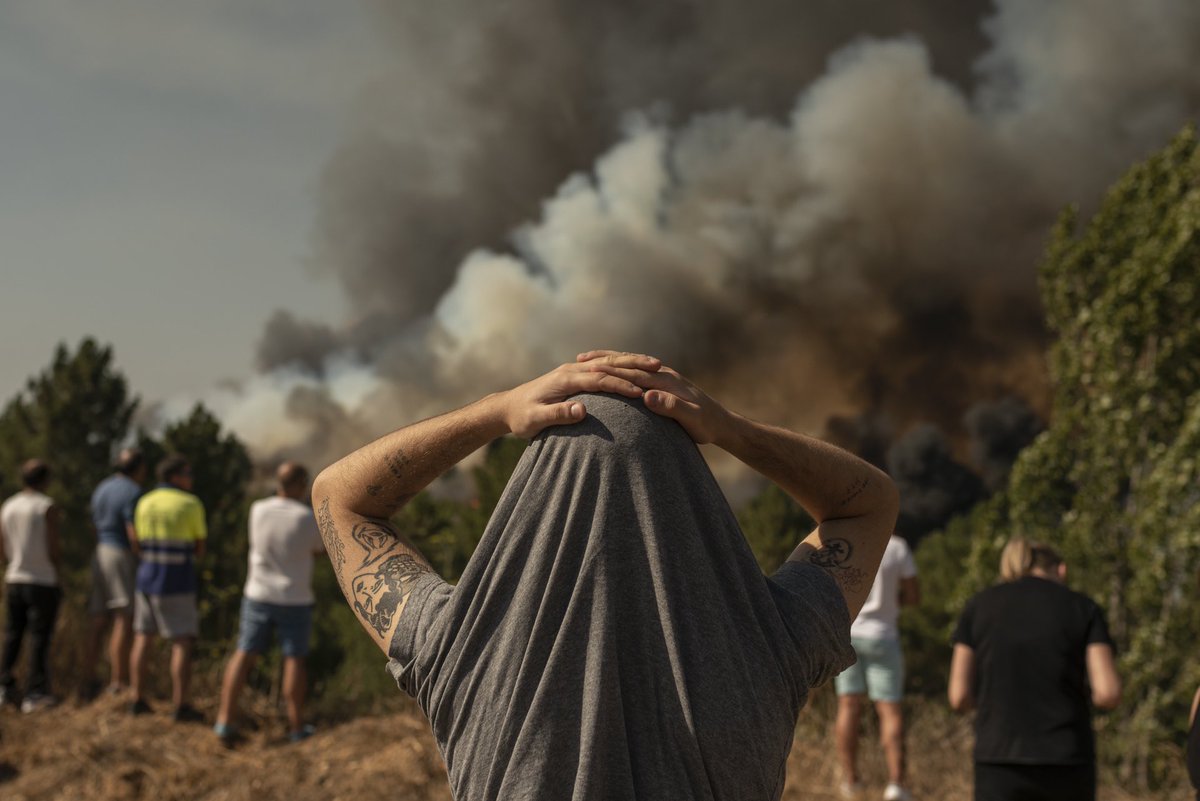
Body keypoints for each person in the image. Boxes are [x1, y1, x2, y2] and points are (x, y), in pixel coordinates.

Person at [311, 351, 899, 801]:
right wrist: (728, 430)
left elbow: (339, 498)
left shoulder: (461, 646)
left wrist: (496, 411)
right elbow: (868, 504)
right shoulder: (770, 643)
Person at [948, 538, 1121, 801]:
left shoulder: (978, 606)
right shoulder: (1083, 607)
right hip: (1066, 757)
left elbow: (958, 695)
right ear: (1061, 570)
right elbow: (1108, 692)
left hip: (998, 757)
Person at [214, 462, 323, 745]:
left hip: (258, 594)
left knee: (244, 653)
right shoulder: (306, 518)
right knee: (294, 659)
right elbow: (319, 550)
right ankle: (296, 726)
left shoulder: (257, 510)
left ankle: (224, 720)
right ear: (300, 485)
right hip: (294, 597)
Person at [835, 533, 919, 801]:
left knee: (848, 706)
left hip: (850, 635)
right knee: (889, 709)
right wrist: (895, 604)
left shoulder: (847, 542)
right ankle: (896, 783)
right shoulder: (897, 547)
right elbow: (914, 595)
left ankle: (851, 781)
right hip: (883, 635)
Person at [129, 454, 206, 722]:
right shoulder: (190, 503)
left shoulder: (144, 501)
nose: (191, 478)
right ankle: (180, 705)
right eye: (187, 473)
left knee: (143, 636)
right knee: (182, 641)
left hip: (146, 578)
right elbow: (199, 547)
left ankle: (137, 699)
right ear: (175, 476)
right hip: (176, 581)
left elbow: (136, 542)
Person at [82, 448, 145, 699]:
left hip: (100, 553)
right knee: (123, 617)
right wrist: (141, 557)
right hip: (120, 553)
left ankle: (88, 679)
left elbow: (93, 524)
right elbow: (133, 532)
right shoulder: (133, 492)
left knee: (97, 619)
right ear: (139, 468)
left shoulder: (102, 487)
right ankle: (118, 682)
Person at [0, 460, 62, 712]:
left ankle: (5, 686)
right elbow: (53, 546)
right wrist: (60, 572)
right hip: (42, 578)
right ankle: (35, 693)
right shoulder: (46, 506)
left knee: (12, 634)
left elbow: (2, 545)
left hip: (15, 577)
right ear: (45, 480)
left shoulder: (9, 505)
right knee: (39, 637)